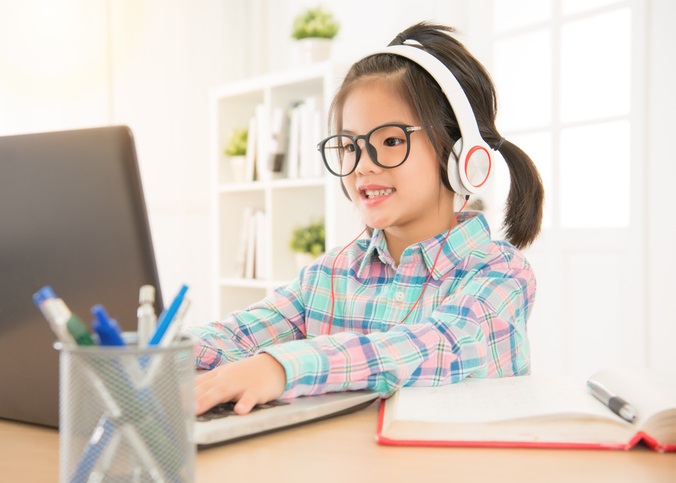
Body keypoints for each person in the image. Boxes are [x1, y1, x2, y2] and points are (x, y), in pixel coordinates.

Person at [191, 22, 544, 416]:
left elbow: (436, 345)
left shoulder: (501, 274)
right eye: (348, 145)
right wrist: (147, 350)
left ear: (459, 153)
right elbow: (233, 337)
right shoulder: (330, 275)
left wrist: (281, 366)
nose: (361, 166)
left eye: (390, 141)